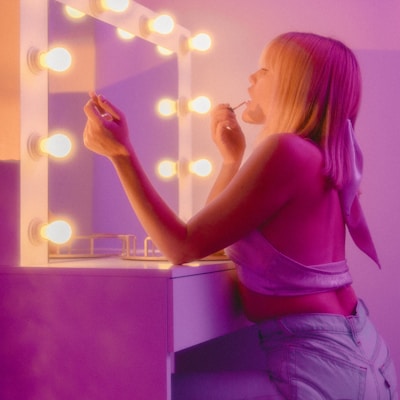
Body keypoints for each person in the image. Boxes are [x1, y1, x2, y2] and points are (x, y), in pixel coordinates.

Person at [83, 32, 398, 399]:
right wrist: (231, 161)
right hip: (356, 356)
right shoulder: (316, 156)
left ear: (293, 87)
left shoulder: (286, 150)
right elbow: (210, 240)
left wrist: (122, 156)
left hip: (324, 362)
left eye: (263, 70)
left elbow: (181, 247)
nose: (251, 79)